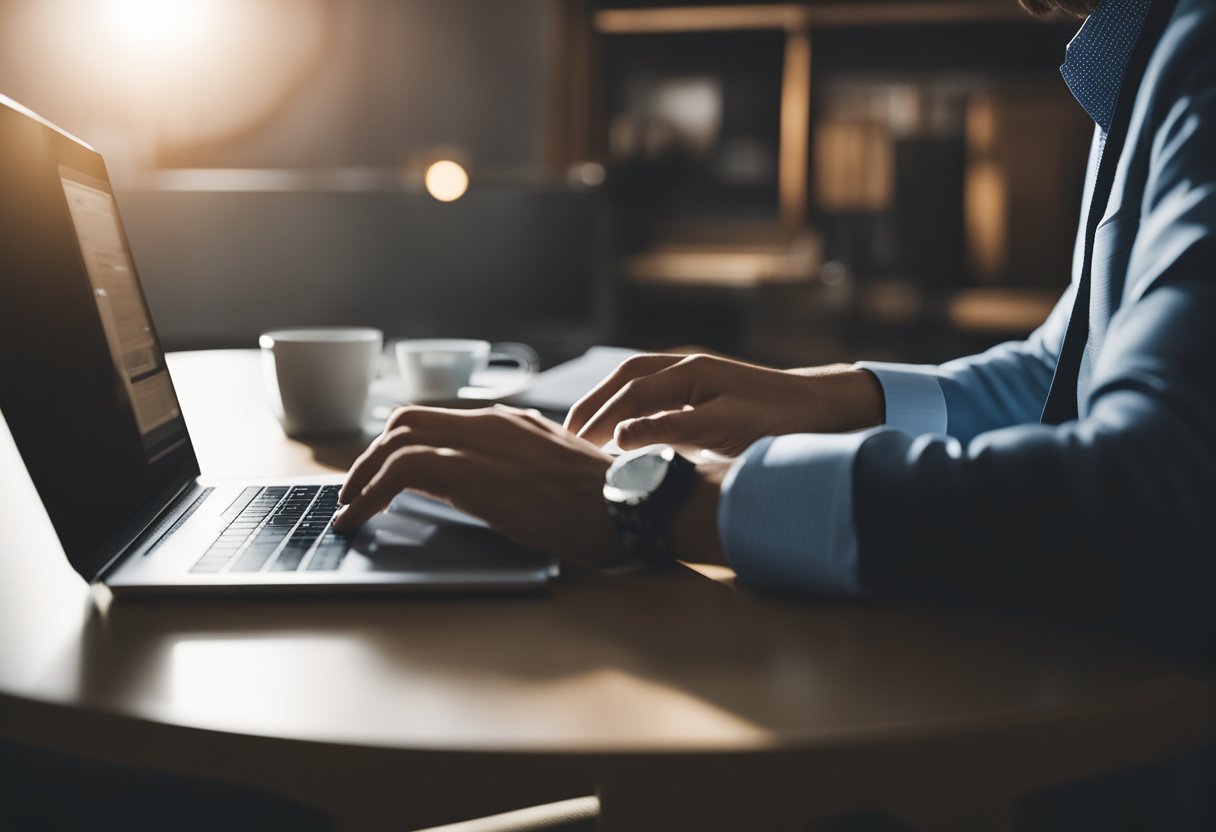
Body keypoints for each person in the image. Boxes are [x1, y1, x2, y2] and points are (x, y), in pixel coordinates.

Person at [334, 0, 1215, 649]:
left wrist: (663, 501)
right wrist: (830, 399)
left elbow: (1150, 493)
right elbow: (1062, 372)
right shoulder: (1146, 43)